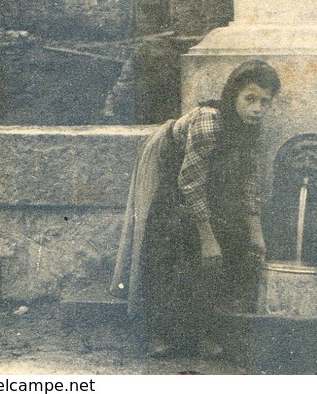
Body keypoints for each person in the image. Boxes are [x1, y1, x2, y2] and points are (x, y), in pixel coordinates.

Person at [111, 59, 281, 359]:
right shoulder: (208, 122)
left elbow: (250, 183)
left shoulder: (253, 129)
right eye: (250, 99)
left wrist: (256, 233)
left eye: (264, 102)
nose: (257, 108)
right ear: (233, 96)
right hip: (171, 173)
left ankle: (203, 334)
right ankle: (159, 334)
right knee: (173, 244)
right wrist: (207, 238)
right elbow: (189, 183)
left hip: (208, 181)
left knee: (223, 248)